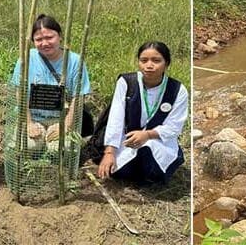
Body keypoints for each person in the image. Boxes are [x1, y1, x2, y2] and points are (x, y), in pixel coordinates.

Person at [97, 42, 188, 185]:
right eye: (144, 60)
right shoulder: (127, 82)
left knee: (149, 154)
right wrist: (109, 152)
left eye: (156, 61)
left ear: (167, 63)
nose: (149, 65)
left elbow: (174, 127)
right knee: (119, 169)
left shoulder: (177, 90)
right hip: (127, 139)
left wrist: (147, 135)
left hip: (158, 141)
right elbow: (116, 118)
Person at [10, 15, 92, 144]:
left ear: (59, 36)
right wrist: (29, 123)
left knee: (59, 150)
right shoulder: (26, 59)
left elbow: (78, 96)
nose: (45, 43)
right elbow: (20, 92)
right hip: (34, 119)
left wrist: (65, 125)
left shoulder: (75, 61)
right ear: (33, 41)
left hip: (61, 119)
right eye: (39, 39)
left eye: (49, 37)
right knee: (27, 146)